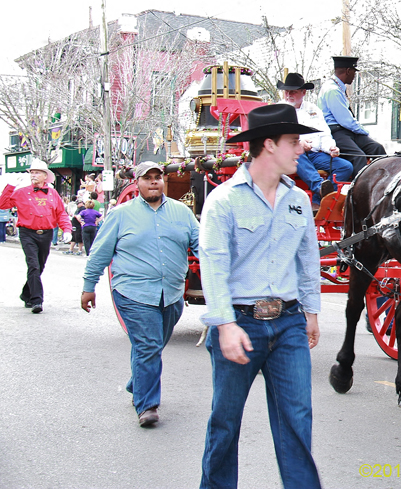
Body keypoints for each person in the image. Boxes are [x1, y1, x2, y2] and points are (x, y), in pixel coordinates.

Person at [198, 103, 322, 489]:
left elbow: (308, 260)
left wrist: (312, 313)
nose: (300, 149)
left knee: (297, 422)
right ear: (268, 144)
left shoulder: (298, 200)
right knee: (225, 422)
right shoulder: (223, 201)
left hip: (288, 325)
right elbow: (213, 267)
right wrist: (225, 324)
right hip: (241, 324)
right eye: (294, 142)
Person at [82, 161, 200, 427]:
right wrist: (89, 287)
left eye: (158, 177)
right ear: (138, 183)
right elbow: (100, 252)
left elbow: (202, 247)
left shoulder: (182, 213)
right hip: (132, 292)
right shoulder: (121, 214)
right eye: (148, 178)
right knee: (148, 345)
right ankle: (147, 405)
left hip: (170, 294)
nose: (154, 182)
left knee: (152, 346)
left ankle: (138, 381)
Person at [0, 159, 72, 313]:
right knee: (33, 265)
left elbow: (61, 213)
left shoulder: (52, 193)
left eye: (37, 172)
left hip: (46, 234)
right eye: (32, 172)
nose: (33, 175)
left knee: (39, 267)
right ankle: (36, 300)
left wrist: (67, 229)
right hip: (27, 233)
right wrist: (10, 186)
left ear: (45, 176)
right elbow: (3, 204)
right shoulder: (21, 192)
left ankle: (26, 294)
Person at [279, 71, 353, 204]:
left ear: (303, 92)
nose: (289, 95)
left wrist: (331, 147)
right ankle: (320, 188)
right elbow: (277, 137)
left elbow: (324, 134)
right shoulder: (278, 109)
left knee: (346, 167)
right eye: (287, 92)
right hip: (291, 155)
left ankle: (320, 200)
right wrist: (297, 143)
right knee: (297, 152)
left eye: (293, 91)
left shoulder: (313, 109)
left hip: (315, 154)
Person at [318, 55, 386, 176]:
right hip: (335, 131)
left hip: (347, 131)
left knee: (377, 148)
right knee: (358, 157)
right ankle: (362, 191)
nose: (355, 76)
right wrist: (365, 132)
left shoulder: (338, 87)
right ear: (348, 71)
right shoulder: (332, 90)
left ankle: (386, 181)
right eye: (354, 72)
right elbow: (345, 120)